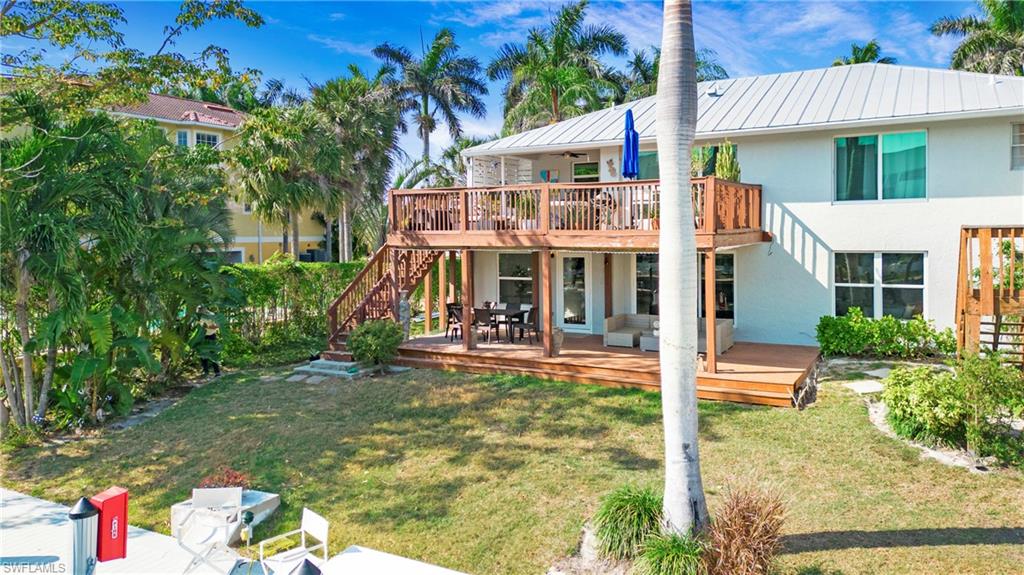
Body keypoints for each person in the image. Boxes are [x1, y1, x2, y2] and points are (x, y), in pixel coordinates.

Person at [199, 312, 221, 377]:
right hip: (202, 336)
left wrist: (207, 326)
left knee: (213, 354)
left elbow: (217, 325)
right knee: (202, 354)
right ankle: (205, 372)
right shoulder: (198, 315)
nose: (200, 310)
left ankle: (217, 372)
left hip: (211, 336)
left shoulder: (211, 315)